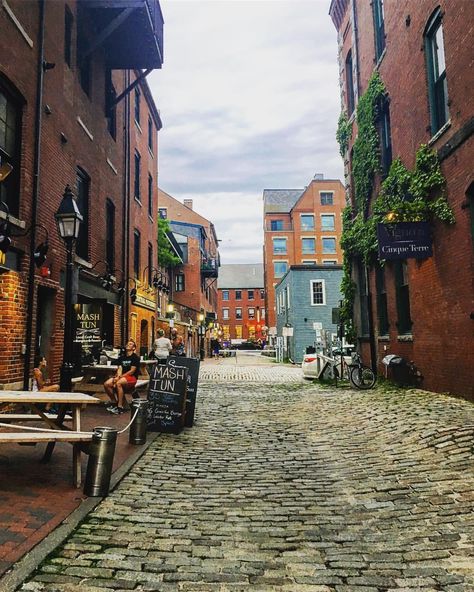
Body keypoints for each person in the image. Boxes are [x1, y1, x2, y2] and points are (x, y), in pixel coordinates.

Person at [103, 339, 140, 414]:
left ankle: (120, 407)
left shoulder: (135, 357)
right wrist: (117, 376)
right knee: (107, 384)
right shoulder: (122, 357)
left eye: (130, 344)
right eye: (127, 344)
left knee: (118, 383)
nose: (127, 345)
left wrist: (119, 378)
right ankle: (114, 402)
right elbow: (120, 368)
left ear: (133, 348)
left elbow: (132, 371)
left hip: (132, 377)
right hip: (122, 377)